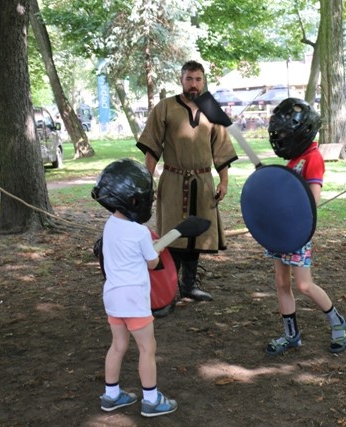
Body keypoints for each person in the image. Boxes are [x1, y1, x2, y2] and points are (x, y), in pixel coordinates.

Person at [137, 60, 238, 302]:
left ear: (204, 81)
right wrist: (145, 182)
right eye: (189, 79)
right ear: (181, 80)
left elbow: (222, 149)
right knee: (172, 237)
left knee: (196, 238)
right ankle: (168, 290)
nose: (193, 84)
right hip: (173, 181)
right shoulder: (165, 108)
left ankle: (189, 286)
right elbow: (152, 149)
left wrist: (223, 181)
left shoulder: (212, 109)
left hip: (202, 183)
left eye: (198, 79)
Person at [91, 158, 178, 418]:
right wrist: (155, 249)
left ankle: (111, 394)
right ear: (134, 201)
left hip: (113, 298)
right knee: (147, 348)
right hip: (134, 300)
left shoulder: (109, 227)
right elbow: (152, 263)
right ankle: (151, 399)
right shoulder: (140, 232)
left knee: (118, 346)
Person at [264, 98, 346, 355]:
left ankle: (338, 322)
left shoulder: (312, 158)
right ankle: (291, 335)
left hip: (297, 231)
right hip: (279, 231)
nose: (279, 137)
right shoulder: (294, 160)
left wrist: (295, 218)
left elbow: (311, 200)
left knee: (303, 285)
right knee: (281, 283)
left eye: (283, 133)